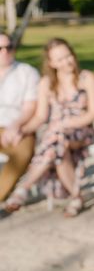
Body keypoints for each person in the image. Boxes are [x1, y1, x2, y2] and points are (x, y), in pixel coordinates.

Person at [4, 38, 94, 217]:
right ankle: (76, 197)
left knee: (56, 135)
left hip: (81, 131)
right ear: (51, 63)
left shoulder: (86, 78)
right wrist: (23, 130)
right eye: (60, 59)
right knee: (58, 146)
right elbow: (40, 116)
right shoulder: (46, 83)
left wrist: (68, 123)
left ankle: (23, 188)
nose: (67, 62)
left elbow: (93, 112)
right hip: (58, 138)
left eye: (68, 56)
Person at [0, 31, 39, 203]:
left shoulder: (27, 72)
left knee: (23, 153)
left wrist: (16, 126)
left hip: (17, 126)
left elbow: (30, 106)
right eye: (0, 48)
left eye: (9, 47)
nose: (5, 52)